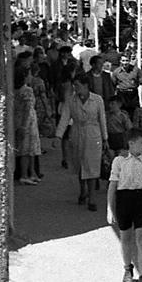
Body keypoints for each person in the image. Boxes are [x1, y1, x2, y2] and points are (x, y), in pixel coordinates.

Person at [106, 128, 142, 282]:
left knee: (141, 240)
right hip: (124, 200)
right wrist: (110, 209)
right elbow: (112, 186)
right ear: (131, 143)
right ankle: (128, 268)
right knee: (126, 237)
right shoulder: (119, 161)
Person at [54, 73, 109, 211]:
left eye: (77, 85)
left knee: (91, 166)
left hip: (93, 134)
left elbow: (102, 119)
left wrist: (105, 138)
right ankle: (82, 190)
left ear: (86, 86)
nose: (75, 88)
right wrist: (58, 136)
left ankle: (92, 197)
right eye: (74, 86)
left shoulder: (97, 100)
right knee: (79, 164)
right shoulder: (71, 101)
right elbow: (65, 118)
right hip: (77, 133)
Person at [14, 68, 43, 185]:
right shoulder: (27, 90)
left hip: (20, 120)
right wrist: (24, 126)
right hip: (27, 122)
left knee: (30, 149)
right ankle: (25, 174)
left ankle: (31, 172)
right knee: (26, 150)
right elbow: (27, 108)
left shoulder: (17, 90)